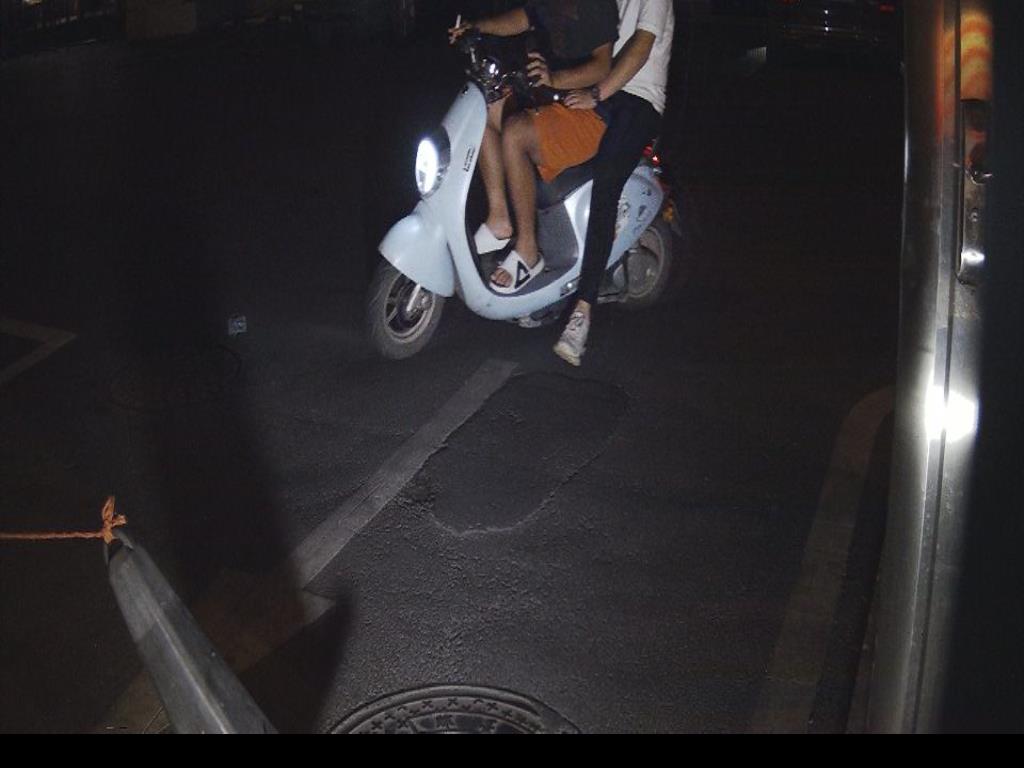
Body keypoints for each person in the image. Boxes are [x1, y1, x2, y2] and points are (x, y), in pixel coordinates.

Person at [450, 1, 619, 294]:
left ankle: (528, 250)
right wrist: (477, 27)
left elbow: (602, 65)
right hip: (552, 98)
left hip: (590, 112)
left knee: (516, 133)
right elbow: (524, 17)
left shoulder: (596, 6)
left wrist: (555, 79)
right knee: (485, 107)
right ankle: (499, 219)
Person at [552, 0, 674, 365]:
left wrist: (595, 94)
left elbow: (641, 45)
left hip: (639, 98)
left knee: (606, 180)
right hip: (604, 89)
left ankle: (582, 312)